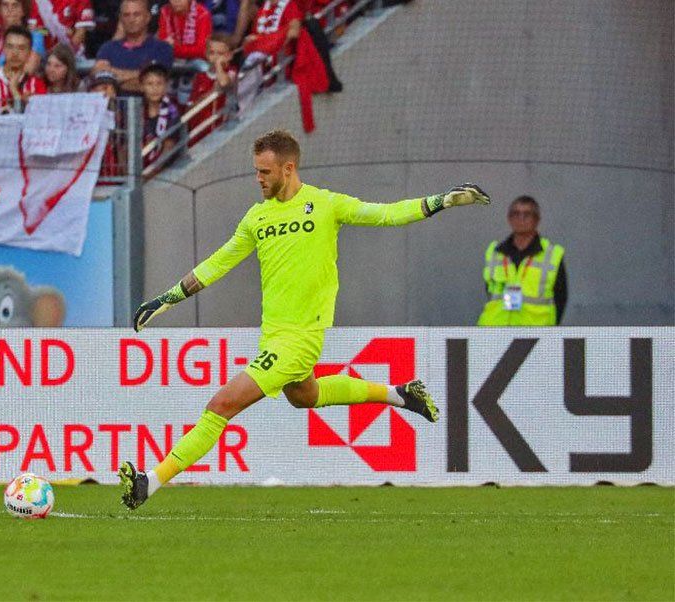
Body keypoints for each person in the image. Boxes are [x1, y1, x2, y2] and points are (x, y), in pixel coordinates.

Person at [118, 130, 491, 509]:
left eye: (265, 172)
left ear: (288, 168)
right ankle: (399, 394)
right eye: (256, 171)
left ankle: (152, 480)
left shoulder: (326, 204)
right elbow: (220, 261)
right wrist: (169, 297)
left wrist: (441, 201)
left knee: (220, 406)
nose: (258, 179)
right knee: (305, 396)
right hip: (273, 336)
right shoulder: (257, 217)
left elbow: (385, 214)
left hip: (300, 338)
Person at [477, 195, 567, 326]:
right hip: (495, 330)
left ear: (537, 220)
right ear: (509, 219)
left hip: (535, 332)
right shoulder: (496, 253)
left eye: (527, 214)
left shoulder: (551, 255)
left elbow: (560, 298)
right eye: (516, 214)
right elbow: (490, 292)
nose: (521, 219)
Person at [92, 0, 172, 94]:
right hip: (114, 107)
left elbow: (153, 85)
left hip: (148, 106)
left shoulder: (162, 48)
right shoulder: (108, 48)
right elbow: (99, 78)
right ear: (121, 18)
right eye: (126, 15)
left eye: (136, 14)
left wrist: (113, 80)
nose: (131, 19)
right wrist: (140, 75)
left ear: (147, 17)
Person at [0, 24, 46, 113]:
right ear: (3, 49)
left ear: (29, 53)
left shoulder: (37, 85)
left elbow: (37, 122)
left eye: (21, 48)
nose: (15, 53)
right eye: (10, 47)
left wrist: (14, 90)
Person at [0, 0, 45, 83]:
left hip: (22, 92)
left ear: (23, 11)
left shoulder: (34, 36)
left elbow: (27, 71)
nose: (10, 9)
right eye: (5, 5)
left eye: (15, 5)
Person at [186, 32, 235, 144]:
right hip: (198, 133)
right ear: (206, 54)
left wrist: (219, 66)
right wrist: (208, 95)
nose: (216, 57)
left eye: (221, 53)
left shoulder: (231, 72)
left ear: (230, 55)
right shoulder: (200, 76)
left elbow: (223, 83)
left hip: (220, 133)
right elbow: (190, 107)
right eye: (212, 53)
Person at [140, 62, 180, 168]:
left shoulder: (173, 110)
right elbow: (125, 146)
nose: (155, 88)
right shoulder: (136, 109)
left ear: (166, 86)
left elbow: (169, 145)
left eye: (159, 83)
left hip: (164, 171)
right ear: (142, 87)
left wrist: (151, 174)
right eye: (150, 84)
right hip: (138, 170)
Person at [241, 0, 301, 66]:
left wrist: (262, 40)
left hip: (280, 62)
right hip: (258, 61)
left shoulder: (291, 5)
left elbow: (294, 33)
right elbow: (254, 37)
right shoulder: (263, 8)